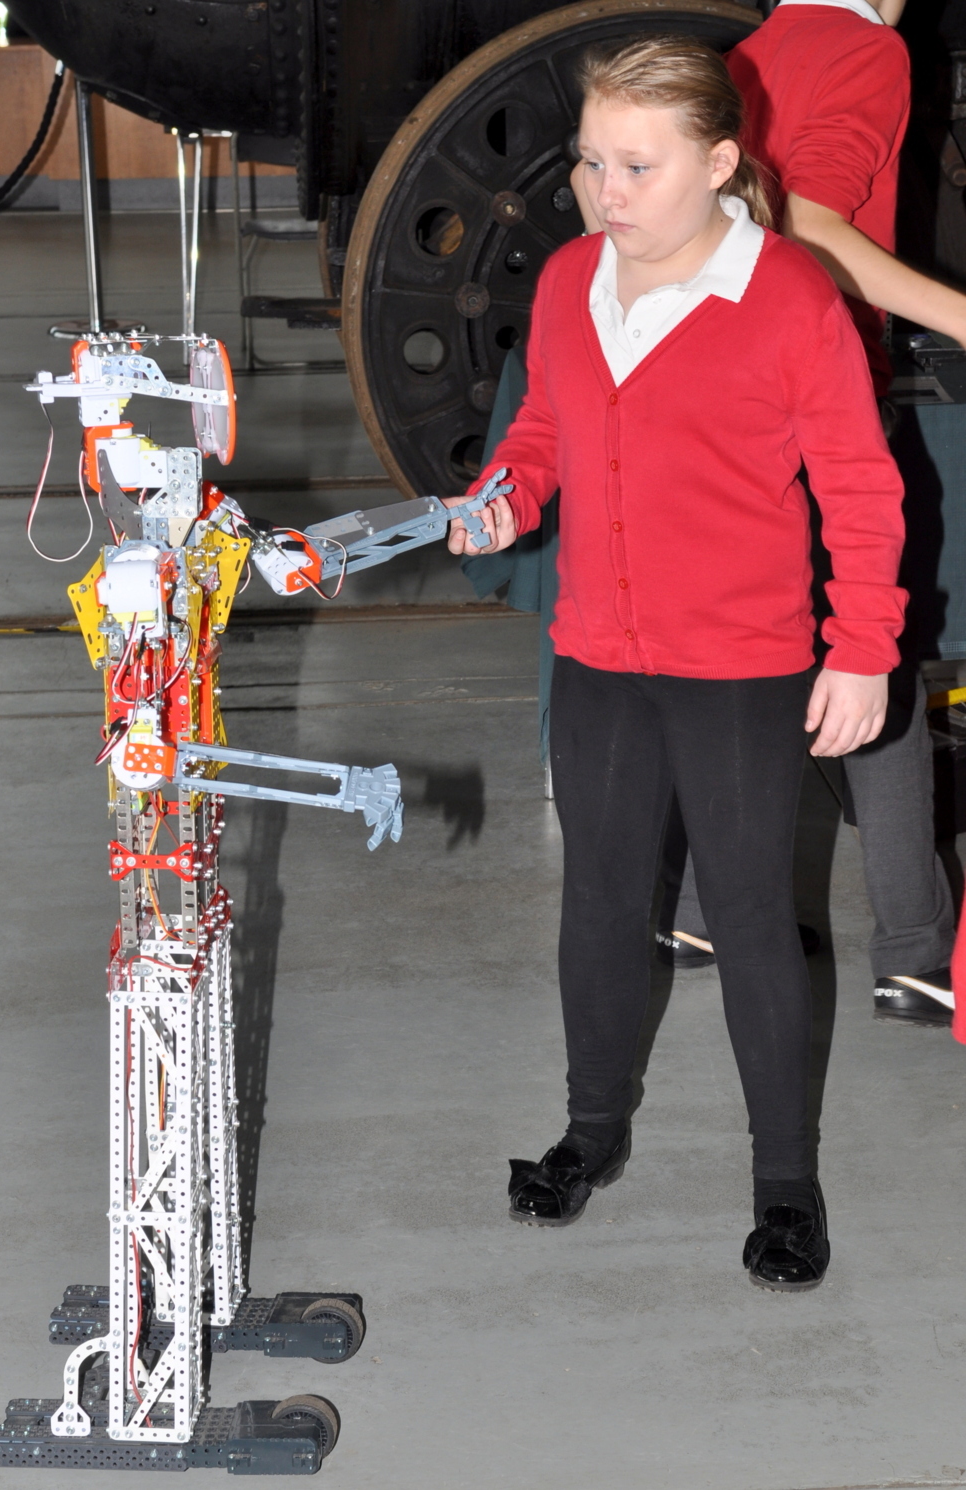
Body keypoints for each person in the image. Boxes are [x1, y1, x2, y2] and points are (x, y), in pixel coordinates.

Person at [446, 35, 907, 1290]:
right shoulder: (570, 280)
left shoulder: (790, 295)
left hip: (740, 667)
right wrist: (504, 498)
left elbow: (861, 490)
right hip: (599, 653)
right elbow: (541, 428)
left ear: (715, 163)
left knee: (751, 918)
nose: (605, 191)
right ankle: (589, 1131)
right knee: (599, 902)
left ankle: (786, 1184)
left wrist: (861, 650)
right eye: (591, 161)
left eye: (637, 166)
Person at [655, 0, 959, 1027]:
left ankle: (700, 910)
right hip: (816, 389)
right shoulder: (868, 49)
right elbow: (814, 230)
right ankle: (914, 950)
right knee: (875, 655)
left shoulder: (743, 57)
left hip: (719, 394)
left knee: (759, 645)